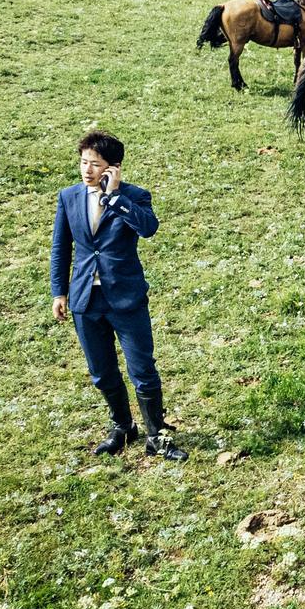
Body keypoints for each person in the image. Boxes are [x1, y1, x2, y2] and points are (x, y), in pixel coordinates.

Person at [50, 131, 187, 461]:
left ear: (113, 168)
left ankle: (156, 436)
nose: (87, 170)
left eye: (95, 164)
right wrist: (59, 292)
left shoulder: (134, 196)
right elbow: (60, 247)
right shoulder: (68, 197)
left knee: (142, 370)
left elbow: (148, 228)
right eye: (83, 162)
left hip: (126, 299)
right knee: (102, 371)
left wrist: (114, 196)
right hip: (85, 300)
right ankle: (123, 427)